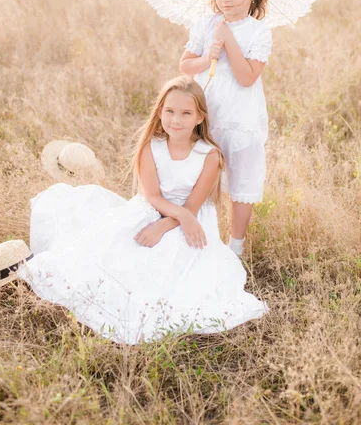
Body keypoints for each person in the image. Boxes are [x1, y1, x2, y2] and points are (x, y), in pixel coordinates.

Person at [19, 75, 267, 344]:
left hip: (191, 220)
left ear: (199, 118)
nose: (176, 120)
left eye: (186, 113)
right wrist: (170, 217)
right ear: (160, 112)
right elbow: (152, 196)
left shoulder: (209, 155)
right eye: (169, 111)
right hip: (151, 209)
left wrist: (170, 223)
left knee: (176, 268)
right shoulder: (151, 147)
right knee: (117, 249)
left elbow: (193, 206)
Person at [180, 0, 272, 257]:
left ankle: (235, 250)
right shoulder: (206, 24)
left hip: (241, 118)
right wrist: (209, 55)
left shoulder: (259, 32)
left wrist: (229, 40)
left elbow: (247, 77)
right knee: (202, 181)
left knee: (241, 186)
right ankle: (201, 242)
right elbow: (185, 65)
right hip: (209, 115)